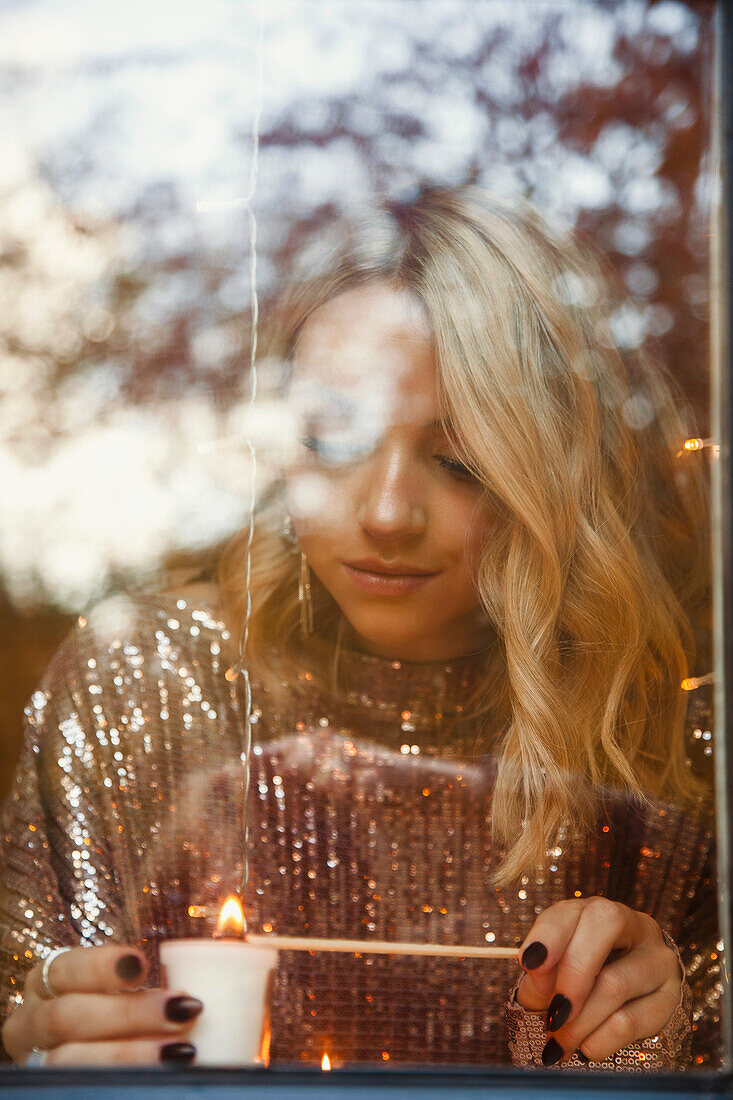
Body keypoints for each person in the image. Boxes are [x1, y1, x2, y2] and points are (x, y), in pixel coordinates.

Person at [0, 187, 720, 1071]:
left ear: (546, 473)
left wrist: (652, 1045)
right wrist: (37, 1053)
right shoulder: (145, 679)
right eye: (336, 434)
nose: (385, 514)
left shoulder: (660, 729)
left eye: (459, 461)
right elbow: (27, 1015)